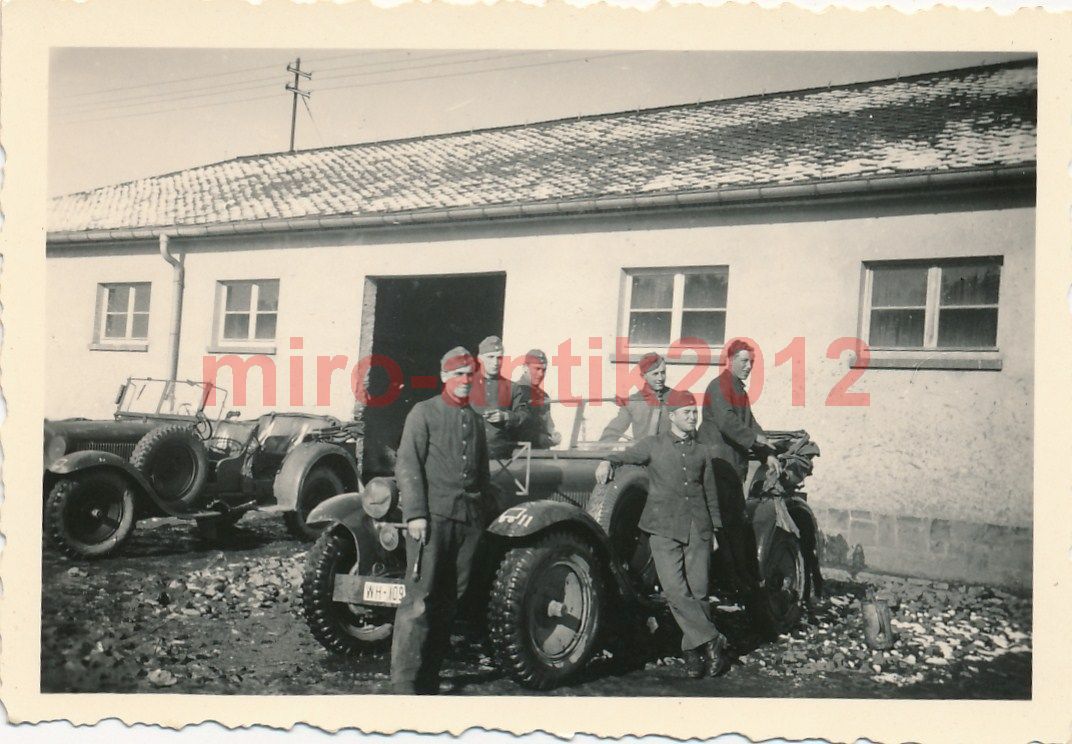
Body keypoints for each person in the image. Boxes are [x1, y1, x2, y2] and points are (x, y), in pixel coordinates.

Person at [595, 389, 730, 678]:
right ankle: (712, 639)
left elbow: (710, 494)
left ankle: (694, 655)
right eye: (687, 413)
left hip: (698, 528)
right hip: (662, 528)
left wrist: (714, 531)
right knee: (674, 592)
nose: (693, 417)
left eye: (694, 412)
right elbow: (626, 455)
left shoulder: (703, 451)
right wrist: (608, 460)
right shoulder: (653, 445)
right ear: (672, 417)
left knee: (699, 592)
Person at [390, 346, 494, 694]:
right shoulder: (424, 413)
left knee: (452, 602)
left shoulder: (475, 421)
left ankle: (429, 678)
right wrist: (415, 514)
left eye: (469, 375)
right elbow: (407, 464)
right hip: (432, 521)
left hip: (468, 524)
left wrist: (483, 520)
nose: (465, 381)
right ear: (444, 377)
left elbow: (482, 475)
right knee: (419, 601)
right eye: (458, 375)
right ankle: (405, 683)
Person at [697, 339, 780, 631]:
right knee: (727, 527)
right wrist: (758, 441)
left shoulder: (739, 391)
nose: (749, 367)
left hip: (731, 469)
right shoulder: (719, 387)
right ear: (729, 359)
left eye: (752, 363)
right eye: (744, 361)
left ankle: (735, 584)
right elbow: (728, 423)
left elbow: (751, 425)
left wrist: (767, 452)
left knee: (733, 527)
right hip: (714, 468)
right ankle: (733, 586)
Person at [469, 335, 530, 458]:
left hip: (498, 456)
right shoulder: (465, 385)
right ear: (480, 358)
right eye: (490, 357)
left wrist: (506, 416)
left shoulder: (512, 388)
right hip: (468, 453)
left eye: (499, 358)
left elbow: (524, 415)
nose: (495, 362)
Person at [598, 352, 672, 442]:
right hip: (643, 453)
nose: (660, 378)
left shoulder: (677, 398)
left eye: (663, 373)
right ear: (643, 376)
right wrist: (600, 451)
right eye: (655, 374)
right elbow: (613, 431)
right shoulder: (633, 402)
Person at [516, 348, 561, 449]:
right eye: (537, 369)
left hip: (541, 453)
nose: (541, 374)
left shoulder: (544, 396)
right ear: (525, 368)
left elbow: (548, 424)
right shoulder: (513, 391)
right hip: (519, 454)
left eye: (544, 370)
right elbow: (512, 427)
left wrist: (554, 434)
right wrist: (538, 438)